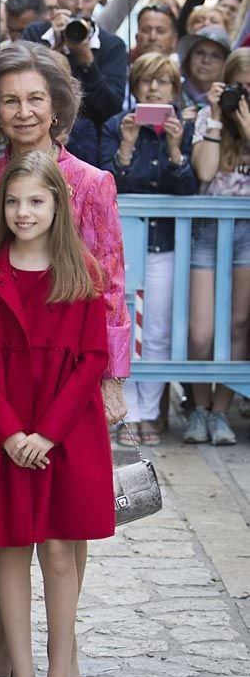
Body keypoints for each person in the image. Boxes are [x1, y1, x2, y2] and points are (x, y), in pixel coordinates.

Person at [0, 41, 129, 677]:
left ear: (58, 106)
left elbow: (109, 284)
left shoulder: (90, 183)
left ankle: (64, 651)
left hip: (69, 379)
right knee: (7, 520)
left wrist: (111, 381)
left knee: (63, 521)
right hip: (2, 370)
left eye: (36, 98)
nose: (24, 110)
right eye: (10, 100)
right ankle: (12, 650)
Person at [100, 53, 198, 446]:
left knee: (156, 331)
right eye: (146, 82)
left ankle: (150, 413)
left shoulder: (185, 128)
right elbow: (106, 184)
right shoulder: (115, 126)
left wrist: (176, 149)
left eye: (163, 83)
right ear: (135, 88)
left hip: (165, 244)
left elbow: (189, 188)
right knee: (121, 328)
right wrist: (125, 146)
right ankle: (130, 412)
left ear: (174, 91)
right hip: (121, 244)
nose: (154, 89)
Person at [185, 47, 250, 446]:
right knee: (201, 332)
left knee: (240, 323)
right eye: (239, 88)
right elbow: (205, 171)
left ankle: (221, 412)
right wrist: (216, 116)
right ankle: (197, 407)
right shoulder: (210, 117)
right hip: (207, 230)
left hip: (247, 230)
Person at [21, 0, 127, 130]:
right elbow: (22, 87)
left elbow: (111, 109)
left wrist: (87, 60)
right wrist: (53, 49)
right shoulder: (35, 34)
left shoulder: (112, 45)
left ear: (95, 0)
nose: (79, 5)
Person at [178, 26, 231, 114]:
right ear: (188, 57)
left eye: (215, 56)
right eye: (200, 53)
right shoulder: (171, 93)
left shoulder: (229, 101)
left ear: (226, 64)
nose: (206, 60)